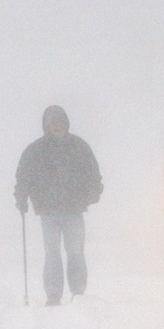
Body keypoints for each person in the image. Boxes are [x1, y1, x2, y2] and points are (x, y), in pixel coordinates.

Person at [14, 105, 103, 306]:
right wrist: (21, 198)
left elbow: (93, 174)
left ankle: (78, 293)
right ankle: (53, 295)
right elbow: (23, 177)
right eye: (53, 123)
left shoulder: (79, 147)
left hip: (74, 210)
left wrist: (93, 193)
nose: (57, 126)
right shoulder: (35, 151)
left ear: (66, 123)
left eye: (60, 122)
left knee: (75, 252)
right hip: (48, 211)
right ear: (46, 125)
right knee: (52, 252)